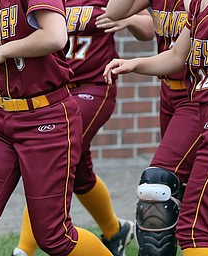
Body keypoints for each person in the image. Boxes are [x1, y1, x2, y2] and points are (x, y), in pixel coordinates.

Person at [0, 1, 115, 255]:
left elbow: (54, 35)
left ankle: (113, 232)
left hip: (46, 116)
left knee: (54, 238)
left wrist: (6, 51)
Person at [11, 2, 154, 256]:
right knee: (79, 173)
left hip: (94, 87)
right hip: (58, 90)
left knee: (48, 159)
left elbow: (149, 28)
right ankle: (115, 230)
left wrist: (128, 21)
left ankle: (23, 250)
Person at [103, 0, 208, 255]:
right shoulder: (198, 7)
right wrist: (133, 63)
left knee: (187, 222)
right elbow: (177, 56)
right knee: (190, 209)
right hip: (195, 106)